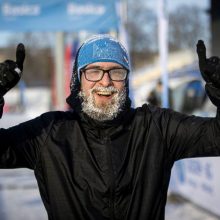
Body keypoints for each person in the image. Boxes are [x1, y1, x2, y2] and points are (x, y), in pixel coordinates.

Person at [0, 35, 220, 220]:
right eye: (94, 71)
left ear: (126, 79)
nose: (105, 82)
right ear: (78, 79)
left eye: (116, 72)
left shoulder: (157, 127)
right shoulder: (49, 133)